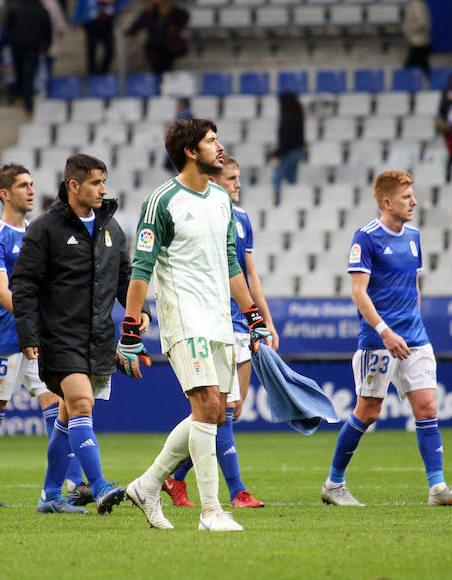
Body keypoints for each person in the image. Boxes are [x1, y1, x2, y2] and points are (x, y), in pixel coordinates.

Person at [119, 118, 272, 532]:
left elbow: (231, 264)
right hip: (184, 319)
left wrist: (253, 315)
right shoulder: (162, 201)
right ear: (190, 152)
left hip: (220, 319)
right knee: (206, 406)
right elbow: (141, 269)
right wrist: (130, 331)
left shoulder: (221, 200)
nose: (219, 146)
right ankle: (211, 512)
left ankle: (148, 485)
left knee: (216, 412)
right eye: (210, 141)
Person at [321, 170, 452, 508]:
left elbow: (413, 286)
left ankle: (437, 489)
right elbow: (358, 293)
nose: (415, 202)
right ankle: (334, 484)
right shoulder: (366, 237)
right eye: (407, 197)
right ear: (387, 202)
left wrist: (412, 325)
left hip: (415, 339)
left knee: (427, 407)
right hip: (379, 341)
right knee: (369, 411)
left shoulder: (414, 236)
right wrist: (385, 331)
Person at [12, 153, 150, 515]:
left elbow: (123, 278)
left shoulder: (112, 230)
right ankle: (100, 485)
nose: (103, 189)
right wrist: (27, 334)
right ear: (74, 186)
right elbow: (23, 285)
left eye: (103, 182)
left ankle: (50, 496)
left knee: (66, 414)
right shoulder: (44, 229)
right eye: (95, 183)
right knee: (82, 404)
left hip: (97, 338)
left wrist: (139, 312)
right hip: (58, 338)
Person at [161, 155, 277, 510]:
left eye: (239, 177)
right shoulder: (201, 210)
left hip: (242, 321)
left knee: (231, 409)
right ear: (213, 179)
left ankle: (173, 476)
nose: (237, 184)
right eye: (231, 178)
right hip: (211, 321)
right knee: (221, 409)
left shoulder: (239, 217)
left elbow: (250, 273)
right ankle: (237, 491)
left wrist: (264, 320)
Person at [0, 163, 76, 508]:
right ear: (5, 194)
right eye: (22, 185)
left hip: (39, 339)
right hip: (5, 338)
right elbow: (1, 292)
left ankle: (67, 485)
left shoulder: (37, 232)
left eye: (31, 184)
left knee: (56, 405)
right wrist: (39, 317)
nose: (31, 190)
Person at [4, 0, 51, 115]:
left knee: (20, 73)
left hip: (17, 46)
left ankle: (20, 97)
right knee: (29, 76)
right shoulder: (41, 10)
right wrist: (46, 45)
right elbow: (47, 31)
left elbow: (7, 27)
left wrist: (11, 41)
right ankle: (28, 105)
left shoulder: (16, 8)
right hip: (32, 48)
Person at [125, 0, 189, 78]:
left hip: (168, 48)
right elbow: (137, 26)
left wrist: (176, 27)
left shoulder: (174, 11)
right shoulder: (149, 12)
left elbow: (184, 17)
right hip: (154, 47)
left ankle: (164, 85)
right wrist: (128, 33)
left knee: (166, 70)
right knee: (157, 71)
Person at [72, 0, 128, 75]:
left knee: (109, 48)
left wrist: (123, 5)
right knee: (91, 49)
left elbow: (122, 3)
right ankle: (92, 72)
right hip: (91, 23)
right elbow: (80, 5)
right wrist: (75, 21)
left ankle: (103, 71)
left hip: (107, 23)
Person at [271, 92, 305, 201]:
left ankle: (276, 201)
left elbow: (287, 141)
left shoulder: (289, 120)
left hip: (289, 152)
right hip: (296, 152)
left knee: (277, 178)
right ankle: (293, 201)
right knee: (292, 179)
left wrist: (277, 153)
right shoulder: (297, 117)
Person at [402, 0, 431, 78]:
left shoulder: (416, 4)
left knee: (410, 67)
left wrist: (408, 29)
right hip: (420, 41)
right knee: (422, 65)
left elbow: (421, 22)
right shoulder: (420, 4)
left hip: (418, 41)